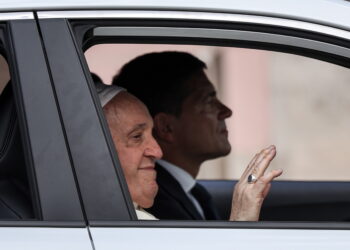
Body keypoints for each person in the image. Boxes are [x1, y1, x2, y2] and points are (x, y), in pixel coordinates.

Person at [112, 51, 282, 220]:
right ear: (166, 127)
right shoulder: (155, 200)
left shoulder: (190, 192)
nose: (226, 112)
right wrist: (241, 218)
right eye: (208, 101)